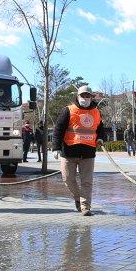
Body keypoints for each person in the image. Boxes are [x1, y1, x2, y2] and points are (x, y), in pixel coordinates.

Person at [52, 85, 106, 216]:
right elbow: (58, 129)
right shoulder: (69, 110)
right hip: (69, 152)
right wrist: (56, 148)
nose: (85, 98)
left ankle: (85, 206)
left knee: (87, 182)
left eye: (88, 96)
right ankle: (78, 198)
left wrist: (100, 139)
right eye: (83, 96)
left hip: (88, 153)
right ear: (77, 96)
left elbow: (101, 129)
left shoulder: (96, 112)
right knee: (68, 179)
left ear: (91, 97)